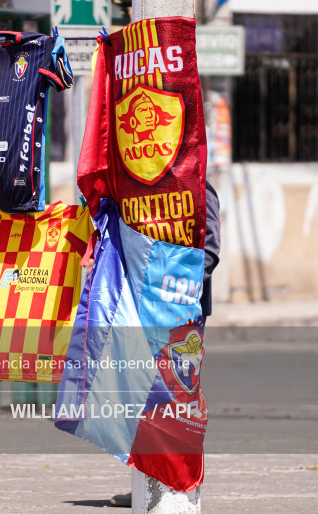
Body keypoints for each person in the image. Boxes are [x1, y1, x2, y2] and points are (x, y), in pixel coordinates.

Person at [109, 180, 221, 508]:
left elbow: (210, 250)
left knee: (178, 402)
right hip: (142, 311)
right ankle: (148, 480)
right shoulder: (139, 191)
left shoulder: (199, 187)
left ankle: (180, 483)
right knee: (144, 401)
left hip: (181, 316)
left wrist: (172, 289)